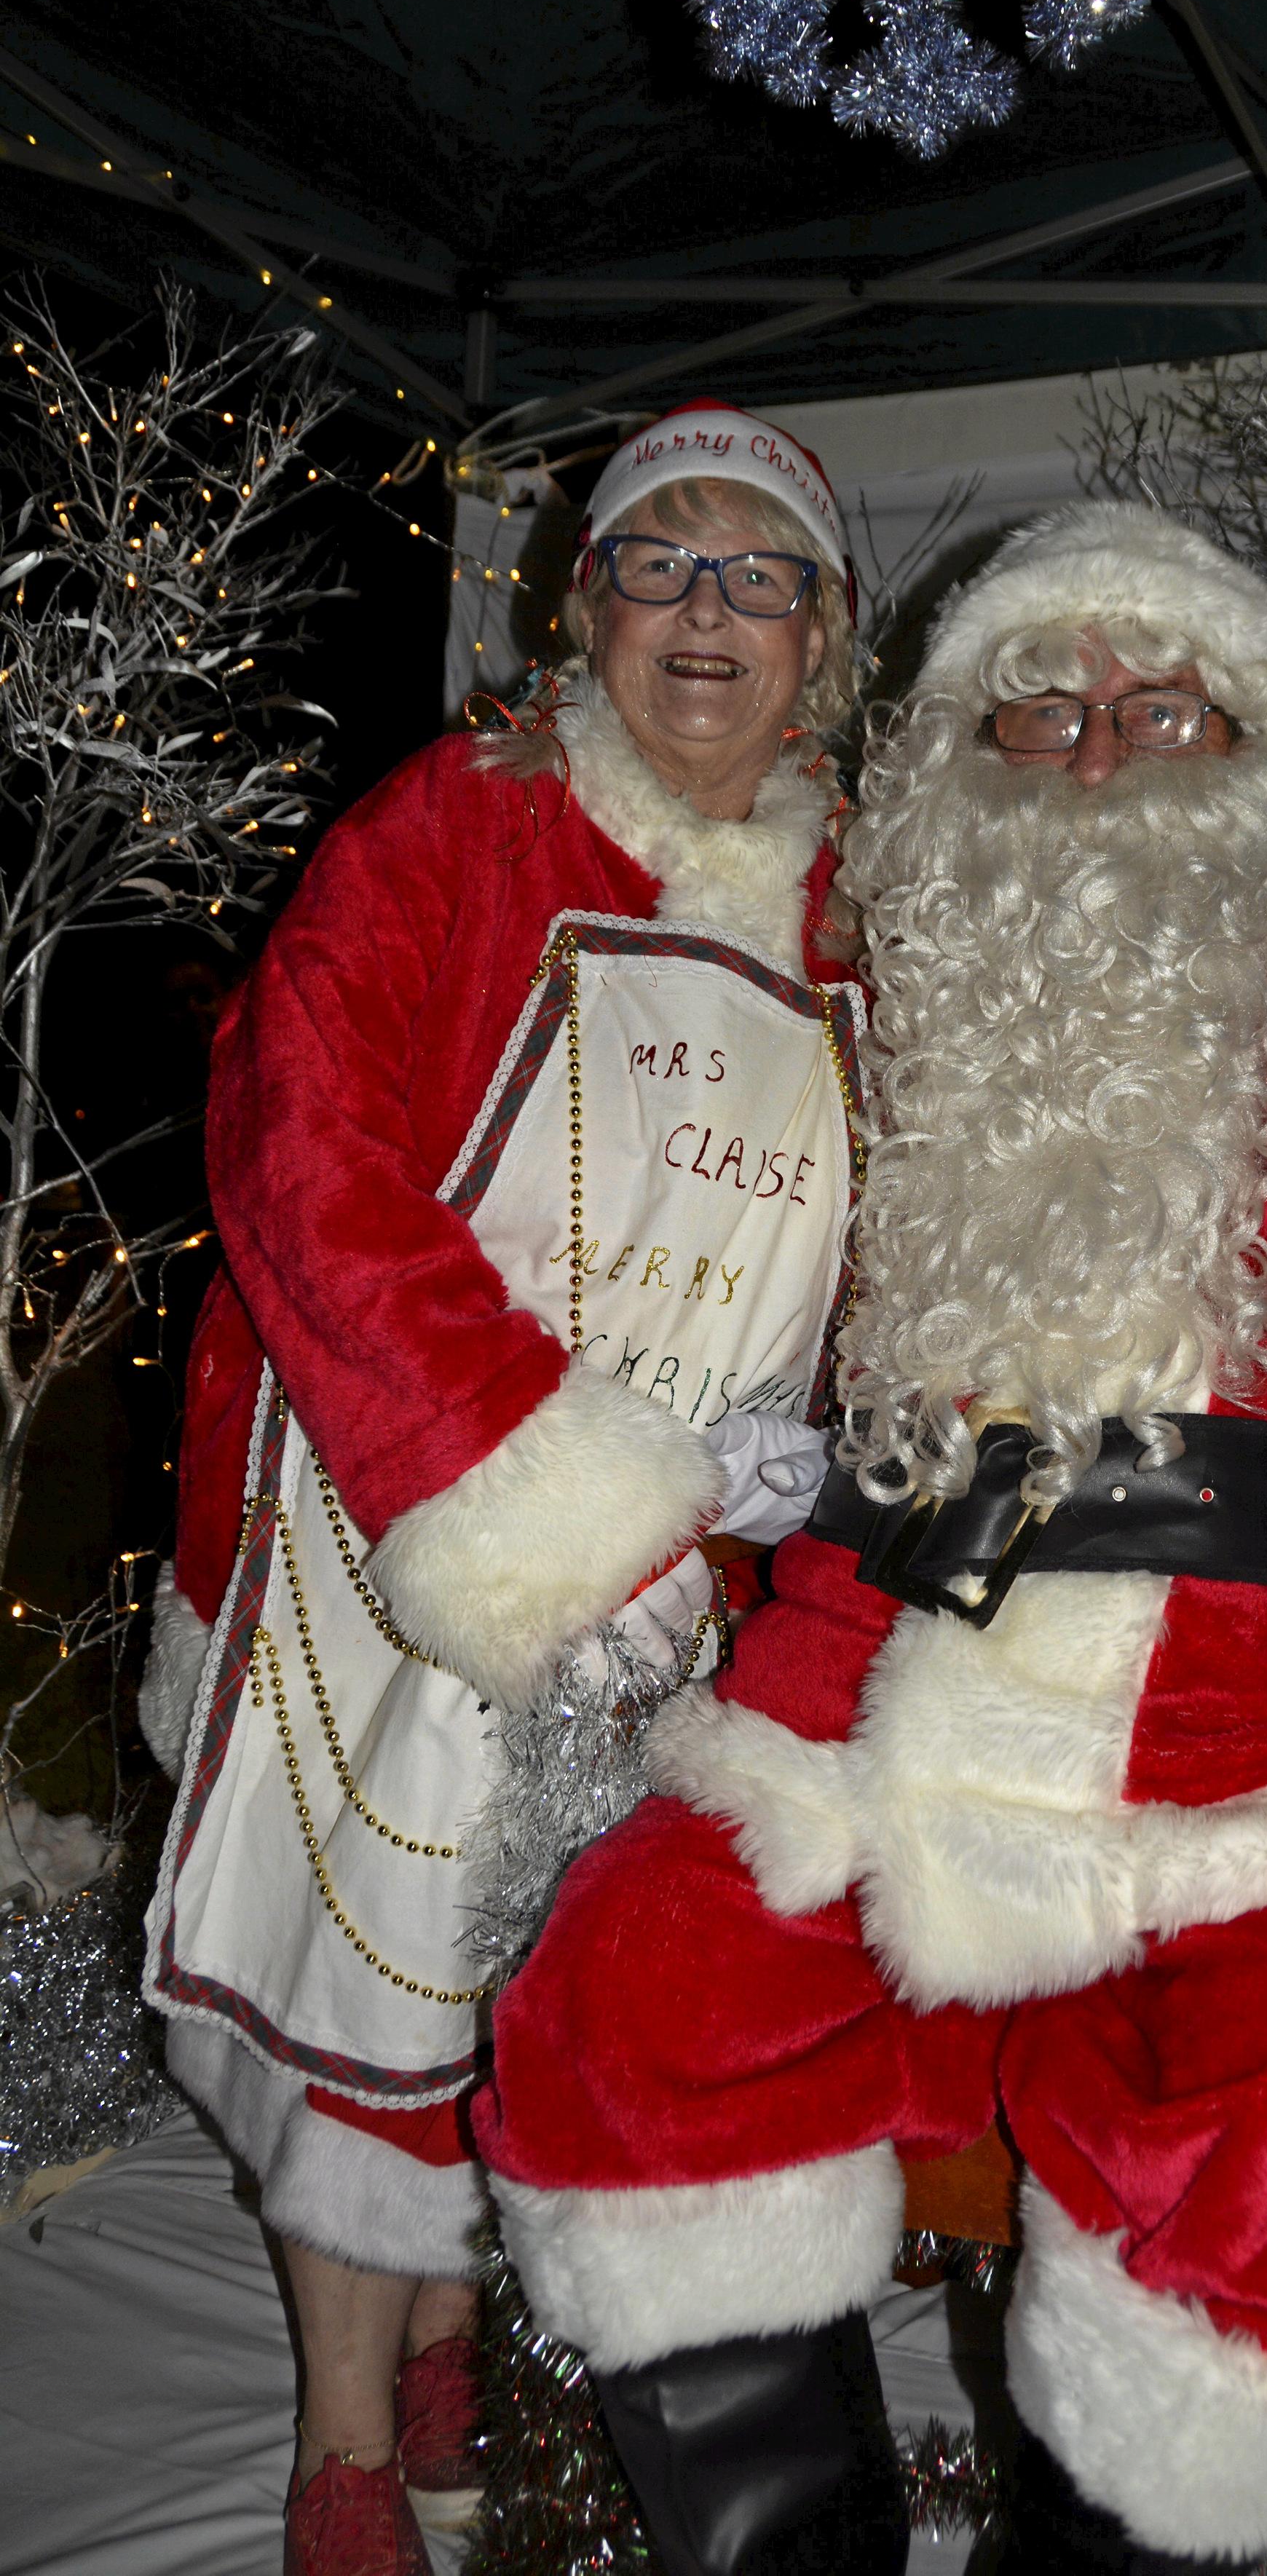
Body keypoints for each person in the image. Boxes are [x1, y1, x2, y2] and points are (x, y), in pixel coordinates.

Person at [478, 501, 1267, 2575]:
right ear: (946, 757)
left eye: (1161, 709)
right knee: (628, 1999)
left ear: (1262, 759)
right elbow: (634, 948)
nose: (1090, 753)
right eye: (1033, 707)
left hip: (1258, 1751)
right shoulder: (861, 990)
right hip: (859, 1710)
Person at [138, 403, 871, 2576]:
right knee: (397, 1949)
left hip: (700, 1555)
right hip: (405, 1488)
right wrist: (515, 1473)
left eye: (760, 576)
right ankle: (352, 2432)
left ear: (825, 637)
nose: (706, 614)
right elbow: (299, 1133)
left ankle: (469, 2330)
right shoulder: (459, 826)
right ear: (583, 606)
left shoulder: (867, 900)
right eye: (661, 565)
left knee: (569, 1976)